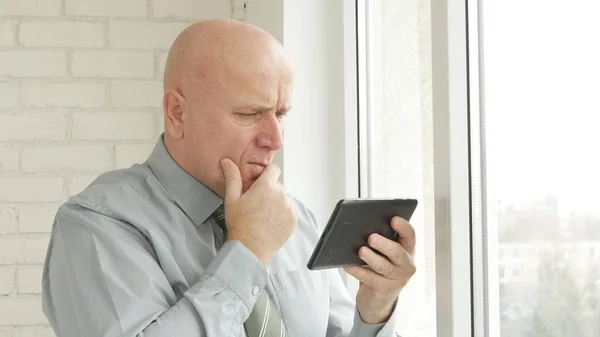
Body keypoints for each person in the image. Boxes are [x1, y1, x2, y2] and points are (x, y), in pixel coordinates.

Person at [41, 19, 416, 337]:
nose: (275, 140)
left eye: (280, 113)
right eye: (250, 113)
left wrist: (374, 313)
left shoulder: (294, 220)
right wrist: (248, 252)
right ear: (177, 114)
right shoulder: (96, 227)